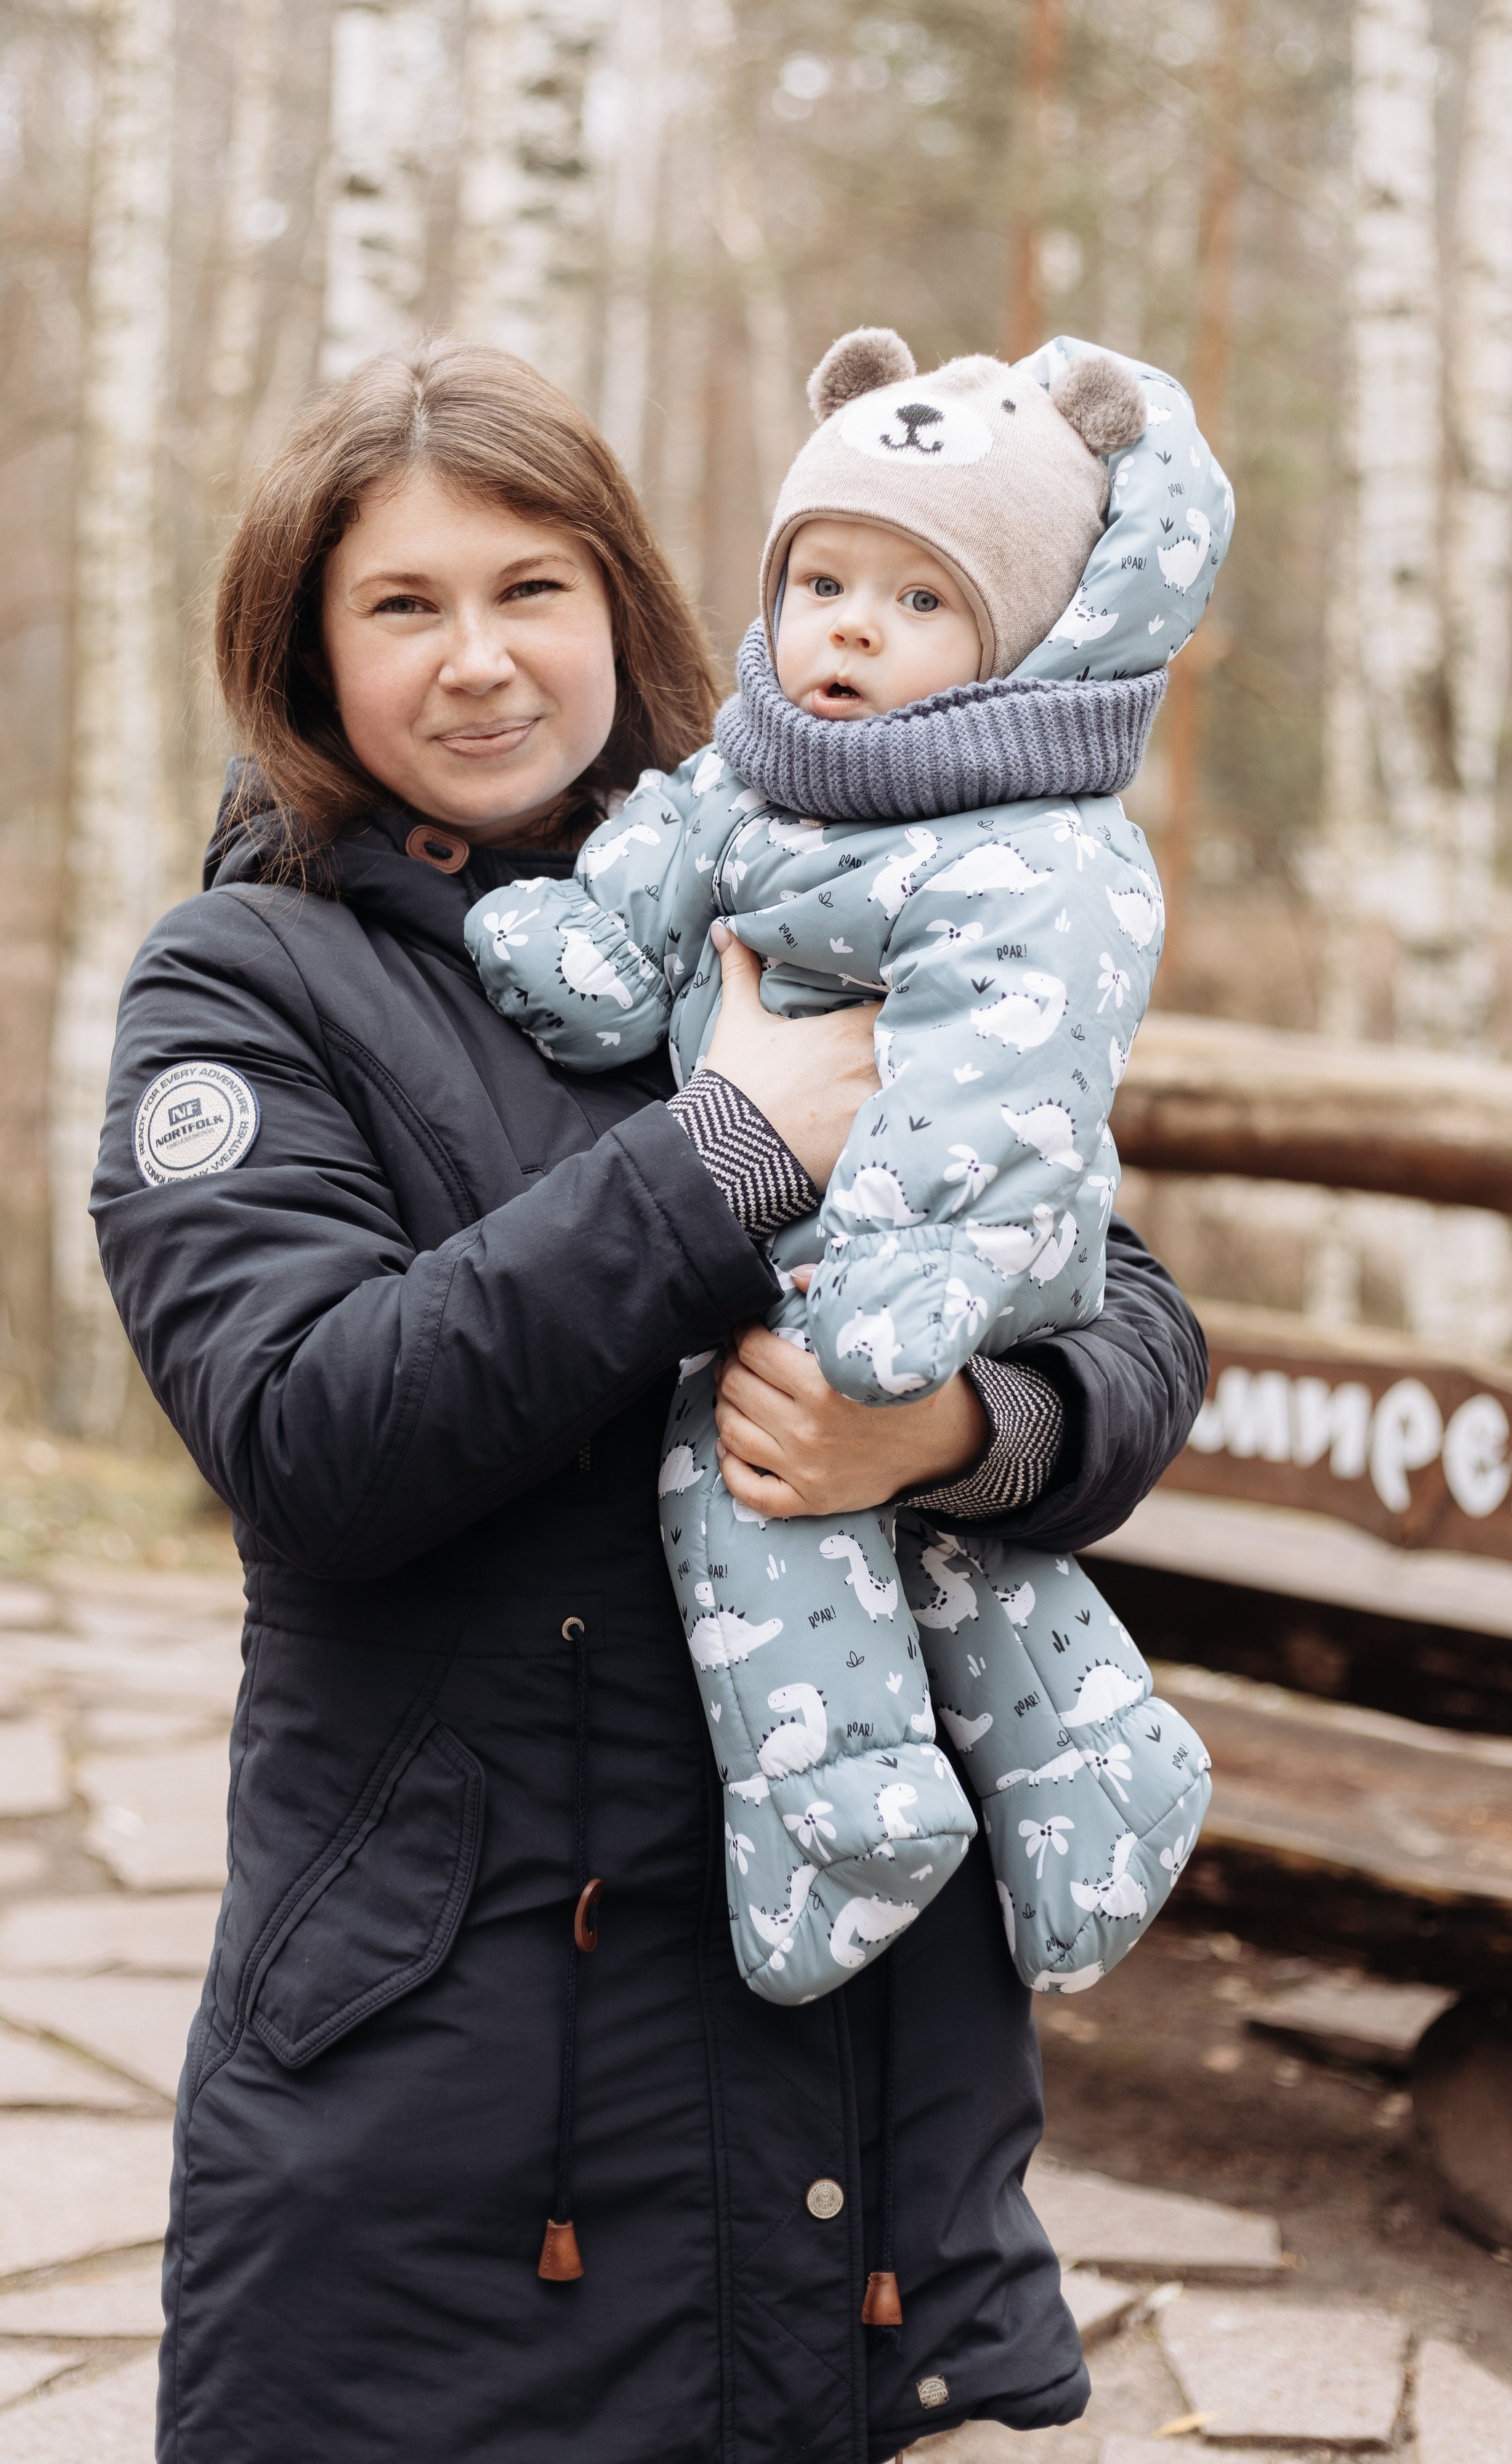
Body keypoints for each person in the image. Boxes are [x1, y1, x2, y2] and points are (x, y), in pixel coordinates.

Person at [91, 339, 1208, 2464]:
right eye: (403, 607)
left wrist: (965, 1435)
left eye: (533, 590)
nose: (483, 660)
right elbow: (313, 1436)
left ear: (629, 605)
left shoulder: (816, 879)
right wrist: (728, 1152)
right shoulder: (248, 987)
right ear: (307, 658)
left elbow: (1129, 1318)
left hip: (870, 2091)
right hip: (460, 2097)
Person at [460, 325, 1226, 2011]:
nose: (851, 628)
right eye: (820, 580)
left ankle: (849, 1805)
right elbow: (662, 862)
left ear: (1026, 634)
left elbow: (1010, 1064)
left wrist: (933, 1343)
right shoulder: (760, 773)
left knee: (736, 1445)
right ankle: (1095, 1764)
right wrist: (594, 949)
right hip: (830, 1243)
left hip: (952, 1236)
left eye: (920, 599)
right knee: (866, 1497)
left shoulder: (1035, 843)